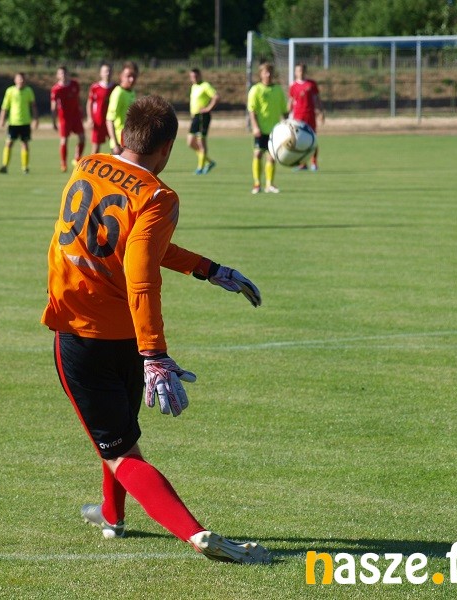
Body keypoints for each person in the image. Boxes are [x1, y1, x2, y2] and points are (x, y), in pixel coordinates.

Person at [41, 94, 271, 564]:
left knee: (120, 451)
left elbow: (138, 258)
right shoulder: (158, 196)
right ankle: (112, 516)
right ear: (166, 148)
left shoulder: (86, 165)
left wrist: (206, 268)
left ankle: (196, 534)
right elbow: (140, 266)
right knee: (120, 438)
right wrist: (153, 352)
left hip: (80, 336)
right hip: (125, 337)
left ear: (122, 133)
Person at [247, 62, 288, 195]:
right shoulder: (256, 89)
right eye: (265, 72)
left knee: (271, 157)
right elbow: (252, 110)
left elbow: (284, 111)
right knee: (258, 154)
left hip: (275, 131)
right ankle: (257, 184)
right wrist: (255, 127)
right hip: (260, 129)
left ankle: (269, 184)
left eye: (270, 72)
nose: (268, 74)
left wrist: (288, 125)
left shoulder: (278, 90)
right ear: (260, 74)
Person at [0, 72, 39, 174]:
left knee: (24, 144)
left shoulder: (28, 91)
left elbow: (33, 106)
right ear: (15, 80)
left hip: (25, 122)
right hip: (13, 122)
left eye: (23, 79)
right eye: (19, 78)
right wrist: (2, 119)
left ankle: (25, 167)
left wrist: (35, 119)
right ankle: (5, 165)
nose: (21, 81)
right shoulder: (10, 91)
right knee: (9, 143)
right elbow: (5, 106)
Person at [288, 63, 324, 171]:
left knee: (313, 139)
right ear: (295, 72)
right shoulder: (293, 86)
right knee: (299, 141)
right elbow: (290, 101)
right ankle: (302, 164)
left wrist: (321, 112)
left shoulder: (311, 84)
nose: (301, 72)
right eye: (298, 70)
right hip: (298, 117)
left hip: (310, 115)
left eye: (302, 70)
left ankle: (314, 163)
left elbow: (317, 99)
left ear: (305, 71)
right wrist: (286, 114)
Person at [51, 66, 85, 172]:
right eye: (61, 73)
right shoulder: (56, 89)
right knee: (64, 140)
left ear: (68, 74)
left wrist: (81, 111)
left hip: (76, 116)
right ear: (57, 75)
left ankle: (77, 158)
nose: (63, 75)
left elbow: (78, 98)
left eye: (65, 73)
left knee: (82, 138)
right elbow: (53, 106)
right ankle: (63, 163)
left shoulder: (75, 84)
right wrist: (53, 121)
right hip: (64, 118)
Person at [187, 68, 220, 175]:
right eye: (192, 76)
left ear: (200, 75)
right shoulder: (194, 87)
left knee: (201, 141)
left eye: (196, 76)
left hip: (202, 116)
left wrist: (208, 108)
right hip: (195, 117)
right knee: (190, 142)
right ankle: (208, 162)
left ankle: (200, 167)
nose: (194, 78)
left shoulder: (205, 85)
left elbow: (216, 97)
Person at [105, 61, 139, 155]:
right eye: (128, 76)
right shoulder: (118, 93)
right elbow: (109, 120)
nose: (131, 79)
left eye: (134, 76)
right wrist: (115, 144)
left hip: (130, 140)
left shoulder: (131, 92)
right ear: (121, 76)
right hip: (119, 143)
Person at [86, 63, 115, 154]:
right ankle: (92, 163)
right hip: (98, 121)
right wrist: (90, 118)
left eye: (109, 71)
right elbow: (89, 103)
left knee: (115, 147)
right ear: (101, 73)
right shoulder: (95, 87)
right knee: (95, 148)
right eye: (105, 71)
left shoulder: (116, 87)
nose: (108, 73)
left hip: (112, 120)